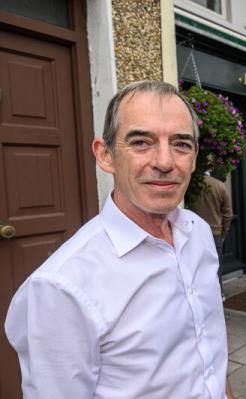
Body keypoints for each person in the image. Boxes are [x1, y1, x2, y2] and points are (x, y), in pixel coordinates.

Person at [4, 80, 233, 398]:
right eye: (141, 142)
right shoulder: (61, 288)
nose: (165, 162)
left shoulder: (198, 233)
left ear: (194, 159)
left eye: (181, 144)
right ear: (105, 155)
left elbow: (209, 346)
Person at [188, 170, 233, 298]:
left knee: (195, 265)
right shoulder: (219, 186)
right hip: (214, 231)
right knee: (215, 266)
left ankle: (198, 295)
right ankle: (217, 294)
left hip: (192, 231)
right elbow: (228, 213)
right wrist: (224, 231)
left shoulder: (192, 184)